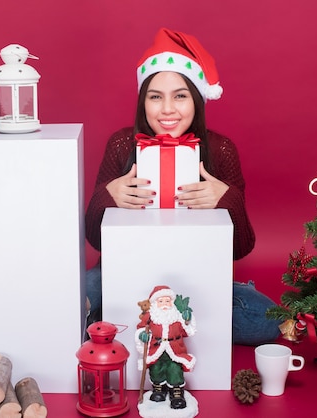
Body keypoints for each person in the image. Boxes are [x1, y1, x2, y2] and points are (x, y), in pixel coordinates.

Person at [84, 27, 280, 345]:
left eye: (180, 96)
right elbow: (95, 239)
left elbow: (241, 247)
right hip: (124, 267)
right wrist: (106, 196)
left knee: (268, 323)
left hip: (194, 272)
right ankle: (157, 320)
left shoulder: (220, 149)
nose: (167, 110)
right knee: (79, 296)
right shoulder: (122, 144)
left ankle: (163, 322)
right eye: (155, 97)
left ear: (197, 99)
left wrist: (228, 200)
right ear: (142, 102)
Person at [135, 285, 196, 409]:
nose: (164, 304)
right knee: (156, 369)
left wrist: (187, 320)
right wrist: (142, 335)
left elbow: (187, 331)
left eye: (167, 301)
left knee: (174, 369)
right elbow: (141, 328)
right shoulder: (150, 316)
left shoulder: (177, 316)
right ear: (154, 303)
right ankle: (159, 389)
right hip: (156, 350)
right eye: (160, 301)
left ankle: (177, 393)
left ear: (171, 302)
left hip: (175, 350)